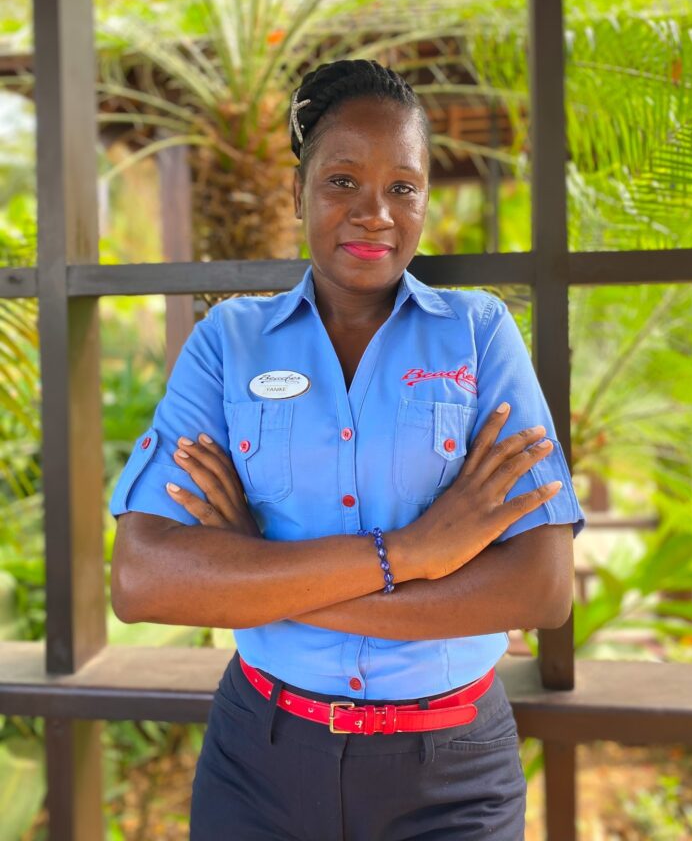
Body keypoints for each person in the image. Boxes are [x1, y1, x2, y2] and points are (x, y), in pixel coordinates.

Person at [109, 58, 587, 841]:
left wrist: (256, 574)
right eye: (342, 182)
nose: (377, 213)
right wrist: (413, 551)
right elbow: (143, 578)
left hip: (452, 776)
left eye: (404, 186)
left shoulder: (479, 333)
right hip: (260, 763)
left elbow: (540, 588)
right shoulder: (228, 343)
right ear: (299, 192)